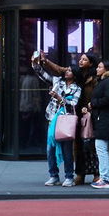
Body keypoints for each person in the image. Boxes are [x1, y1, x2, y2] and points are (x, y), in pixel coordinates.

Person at [39, 51, 100, 184]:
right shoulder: (65, 79)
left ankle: (92, 174)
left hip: (81, 115)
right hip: (63, 117)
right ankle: (74, 174)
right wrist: (44, 61)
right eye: (81, 59)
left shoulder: (90, 79)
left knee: (87, 145)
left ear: (90, 63)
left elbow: (77, 102)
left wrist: (91, 107)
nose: (80, 61)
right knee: (64, 147)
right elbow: (55, 71)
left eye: (84, 59)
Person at [34, 51, 80, 186]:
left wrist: (60, 98)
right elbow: (41, 74)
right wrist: (36, 61)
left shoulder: (77, 88)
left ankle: (69, 176)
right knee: (50, 149)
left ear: (75, 74)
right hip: (53, 119)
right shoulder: (57, 81)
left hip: (66, 122)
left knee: (67, 150)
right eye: (66, 70)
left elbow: (73, 105)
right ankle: (53, 175)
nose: (67, 72)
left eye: (70, 71)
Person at [89, 59, 109, 189]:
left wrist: (94, 103)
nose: (97, 69)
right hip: (103, 118)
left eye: (99, 67)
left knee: (101, 148)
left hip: (105, 119)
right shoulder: (107, 81)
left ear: (106, 69)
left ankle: (106, 179)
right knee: (101, 148)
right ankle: (105, 177)